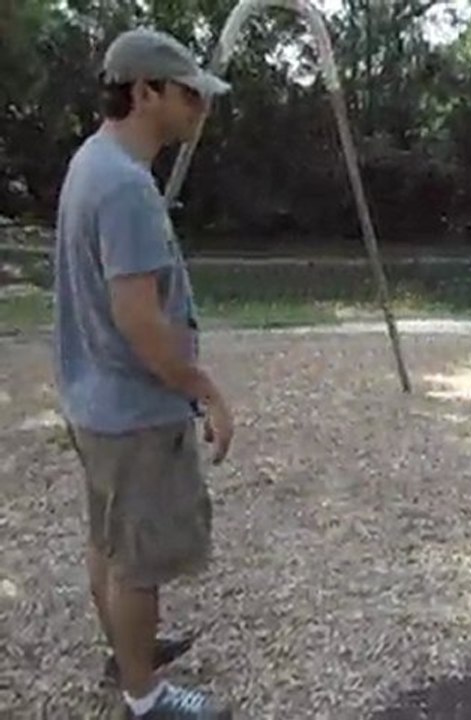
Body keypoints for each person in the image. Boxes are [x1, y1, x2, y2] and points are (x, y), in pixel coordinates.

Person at [54, 28, 234, 719]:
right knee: (139, 562)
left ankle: (126, 653)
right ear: (144, 92)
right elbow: (139, 319)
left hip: (92, 401)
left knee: (108, 539)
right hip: (133, 412)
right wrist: (206, 390)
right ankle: (145, 697)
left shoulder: (90, 163)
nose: (201, 109)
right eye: (189, 94)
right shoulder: (126, 187)